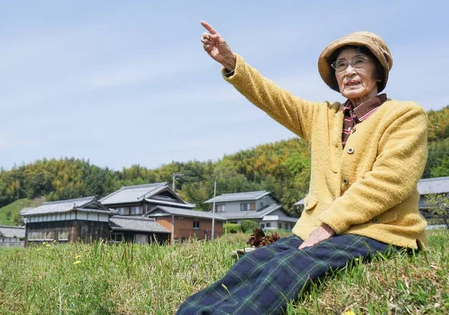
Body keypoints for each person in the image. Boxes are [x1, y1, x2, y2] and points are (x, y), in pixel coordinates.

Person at [177, 21, 428, 315]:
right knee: (254, 263)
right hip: (316, 229)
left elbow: (391, 180)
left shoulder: (406, 115)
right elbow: (273, 98)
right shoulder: (322, 116)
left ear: (378, 71)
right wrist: (232, 63)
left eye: (360, 62)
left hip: (378, 231)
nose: (349, 71)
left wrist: (329, 224)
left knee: (289, 267)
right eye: (341, 65)